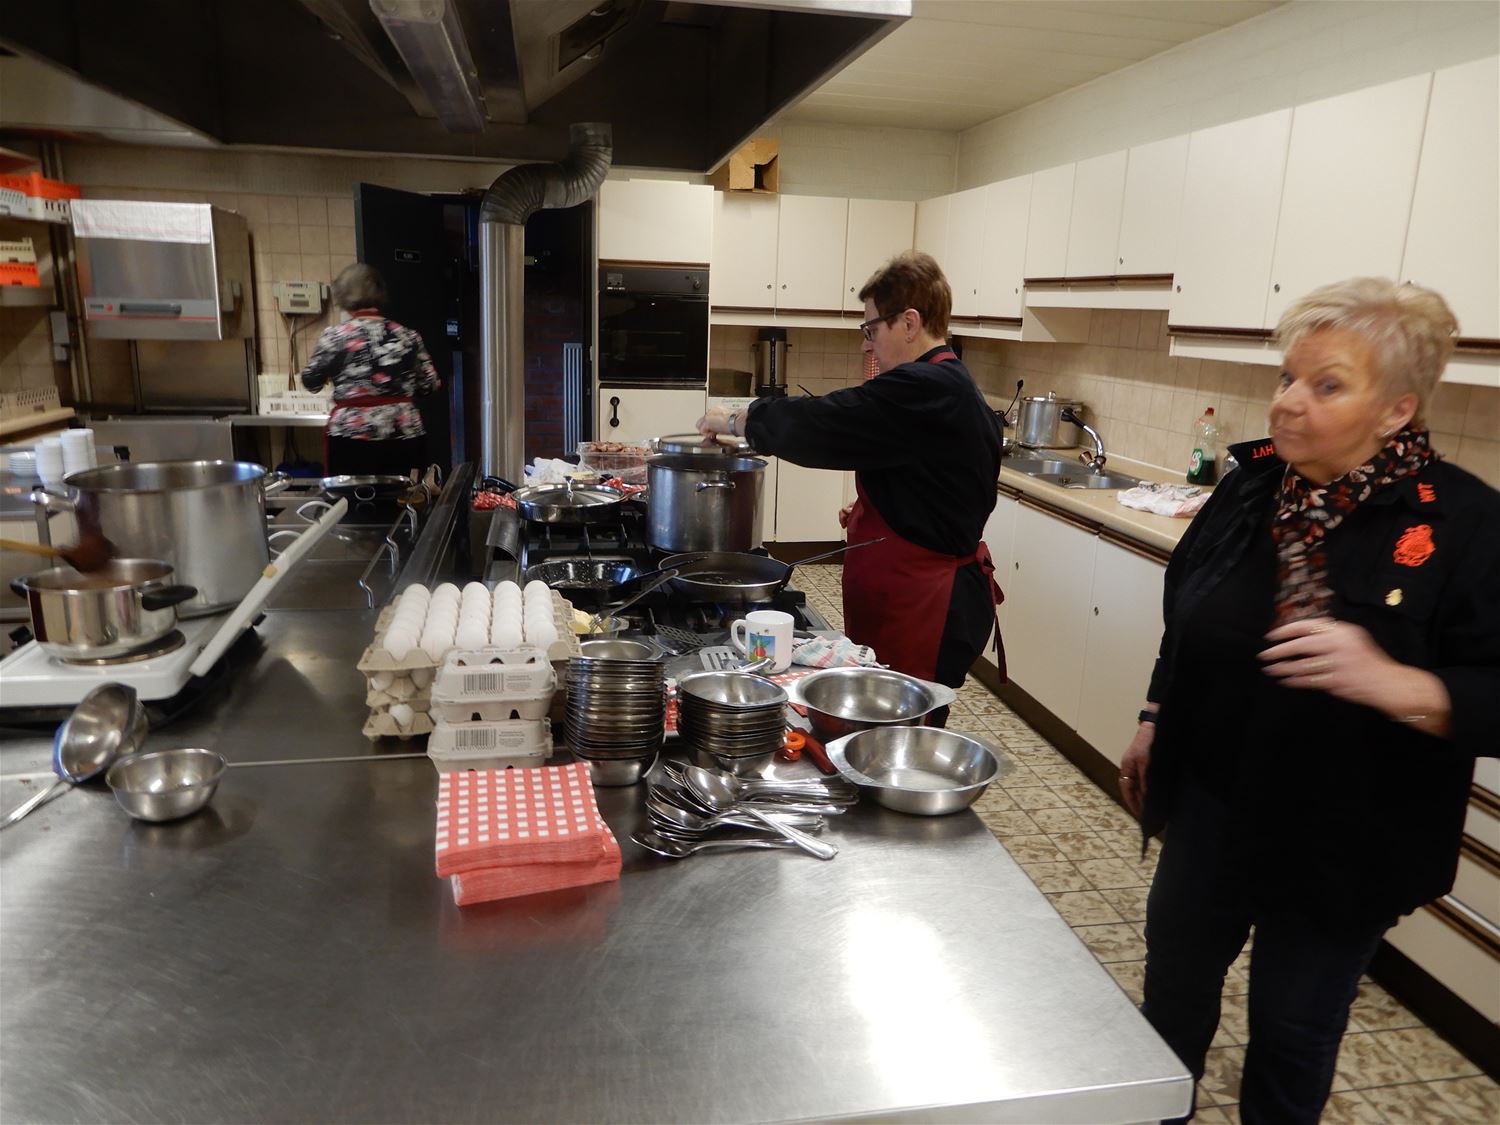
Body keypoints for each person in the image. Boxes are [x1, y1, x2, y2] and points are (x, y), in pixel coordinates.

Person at [1117, 277, 1500, 1124]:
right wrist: (1154, 718)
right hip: (1213, 807)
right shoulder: (1252, 485)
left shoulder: (1466, 524)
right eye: (1288, 377)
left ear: (1397, 410)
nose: (1288, 402)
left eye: (1326, 385)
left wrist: (1398, 681)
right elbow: (1191, 618)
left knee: (1292, 1033)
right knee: (1172, 989)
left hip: (1346, 840)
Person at [697, 252, 1003, 714]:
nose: (866, 345)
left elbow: (827, 422)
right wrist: (874, 505)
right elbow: (936, 484)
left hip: (924, 606)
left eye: (871, 329)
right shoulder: (944, 384)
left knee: (900, 729)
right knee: (880, 717)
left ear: (909, 323)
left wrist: (741, 418)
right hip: (913, 594)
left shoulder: (926, 387)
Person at [300, 263, 439, 476]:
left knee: (352, 495)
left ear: (343, 297)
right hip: (403, 432)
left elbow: (310, 380)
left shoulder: (334, 337)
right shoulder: (407, 335)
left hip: (351, 437)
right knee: (407, 494)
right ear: (379, 293)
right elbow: (430, 384)